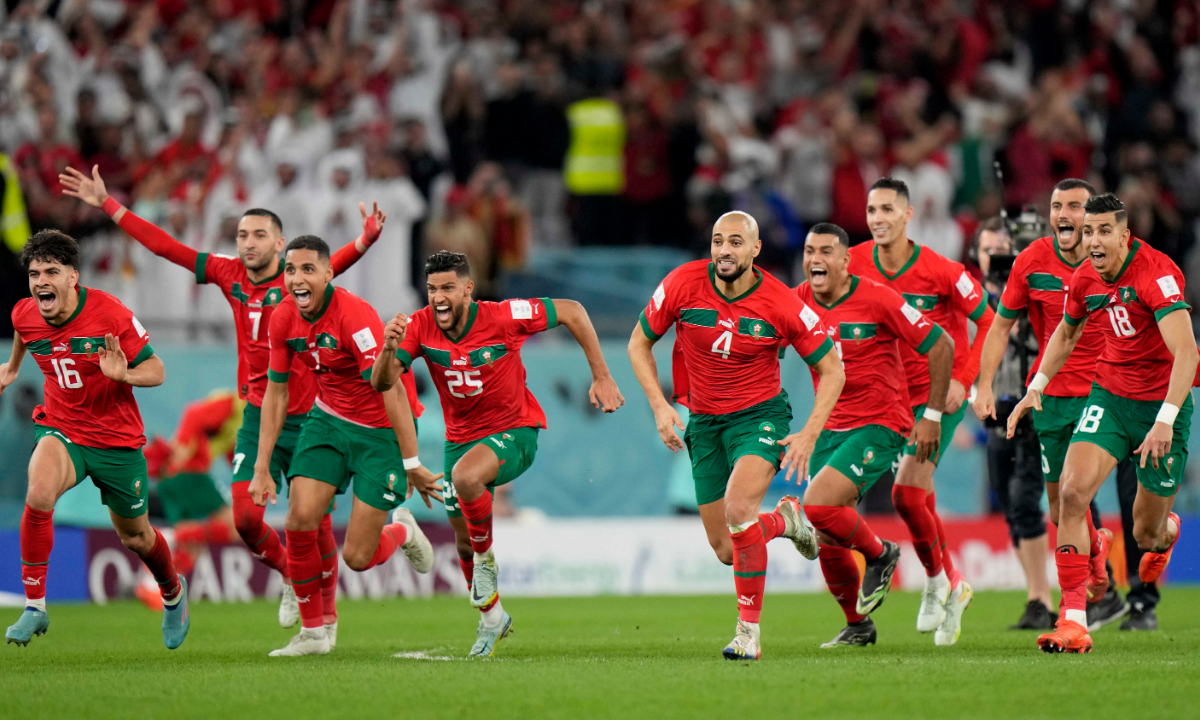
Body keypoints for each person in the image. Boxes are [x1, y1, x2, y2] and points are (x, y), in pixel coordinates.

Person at [58, 164, 395, 631]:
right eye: (242, 235)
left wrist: (365, 241)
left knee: (313, 524)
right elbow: (166, 247)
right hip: (259, 412)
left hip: (312, 417)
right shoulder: (226, 272)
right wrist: (110, 204)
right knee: (246, 519)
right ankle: (294, 580)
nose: (248, 242)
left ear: (280, 243)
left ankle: (323, 623)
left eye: (259, 234)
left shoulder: (298, 280)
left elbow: (335, 262)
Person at [371, 250, 625, 657]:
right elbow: (383, 382)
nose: (438, 297)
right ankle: (492, 619)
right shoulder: (417, 326)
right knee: (464, 542)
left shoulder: (504, 316)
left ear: (468, 289)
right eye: (432, 288)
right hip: (461, 442)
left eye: (448, 288)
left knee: (467, 482)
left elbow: (573, 310)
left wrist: (601, 374)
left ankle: (487, 564)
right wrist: (388, 349)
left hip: (515, 432)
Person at [628, 211, 845, 660]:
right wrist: (660, 406)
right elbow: (638, 343)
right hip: (704, 422)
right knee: (727, 548)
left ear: (755, 249)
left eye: (735, 243)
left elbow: (832, 369)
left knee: (739, 508)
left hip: (759, 418)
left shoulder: (782, 302)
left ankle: (748, 633)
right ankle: (784, 521)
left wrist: (808, 433)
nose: (724, 251)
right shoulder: (682, 284)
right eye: (717, 242)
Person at [1009, 193, 1198, 654]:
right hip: (1109, 398)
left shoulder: (1157, 273)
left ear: (1124, 235)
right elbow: (1067, 332)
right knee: (1071, 495)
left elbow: (1187, 355)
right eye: (1088, 231)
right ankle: (1074, 620)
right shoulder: (1084, 278)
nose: (1093, 241)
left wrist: (1165, 421)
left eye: (1103, 231)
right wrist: (1038, 384)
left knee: (1144, 535)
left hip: (1161, 408)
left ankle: (1167, 531)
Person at [252, 235, 440, 657]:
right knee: (300, 520)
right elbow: (276, 394)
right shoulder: (281, 319)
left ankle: (402, 530)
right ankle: (314, 634)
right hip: (329, 422)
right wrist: (262, 464)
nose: (296, 279)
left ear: (328, 273)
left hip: (382, 432)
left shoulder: (354, 316)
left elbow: (390, 391)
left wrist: (411, 462)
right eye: (290, 270)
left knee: (357, 555)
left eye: (307, 269)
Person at [3, 230, 189, 649]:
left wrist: (125, 375)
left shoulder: (110, 314)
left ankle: (173, 592)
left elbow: (156, 369)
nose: (41, 282)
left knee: (136, 537)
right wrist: (13, 367)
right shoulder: (24, 313)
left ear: (73, 276)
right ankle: (35, 606)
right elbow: (23, 330)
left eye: (52, 271)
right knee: (39, 492)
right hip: (62, 428)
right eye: (34, 274)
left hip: (115, 441)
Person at [848, 178, 996, 646]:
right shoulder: (850, 262)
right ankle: (952, 584)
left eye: (888, 209)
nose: (878, 218)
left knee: (906, 494)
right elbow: (802, 300)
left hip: (936, 398)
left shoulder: (940, 270)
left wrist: (964, 379)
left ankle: (938, 584)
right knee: (919, 495)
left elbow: (989, 319)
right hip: (887, 399)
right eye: (872, 209)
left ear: (908, 215)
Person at [973, 181, 1126, 631]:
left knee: (1076, 499)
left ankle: (1076, 610)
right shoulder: (1032, 261)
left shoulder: (1115, 264)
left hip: (1105, 394)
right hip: (1050, 398)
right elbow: (1000, 327)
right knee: (1060, 511)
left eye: (1075, 206)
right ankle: (1097, 556)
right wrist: (984, 386)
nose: (1064, 213)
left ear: (1094, 218)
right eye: (1057, 205)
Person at [797, 223, 956, 648]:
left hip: (880, 423)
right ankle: (858, 626)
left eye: (827, 252)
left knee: (816, 504)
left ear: (846, 261)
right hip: (830, 426)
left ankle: (881, 554)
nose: (816, 260)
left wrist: (933, 415)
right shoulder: (797, 301)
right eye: (810, 250)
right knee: (828, 535)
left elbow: (940, 345)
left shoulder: (879, 298)